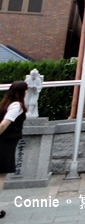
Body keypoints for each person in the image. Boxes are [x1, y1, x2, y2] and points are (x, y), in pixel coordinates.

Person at [0, 81, 28, 219]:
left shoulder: (5, 104)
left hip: (5, 142)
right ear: (23, 92)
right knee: (0, 175)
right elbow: (4, 124)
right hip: (5, 143)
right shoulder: (17, 106)